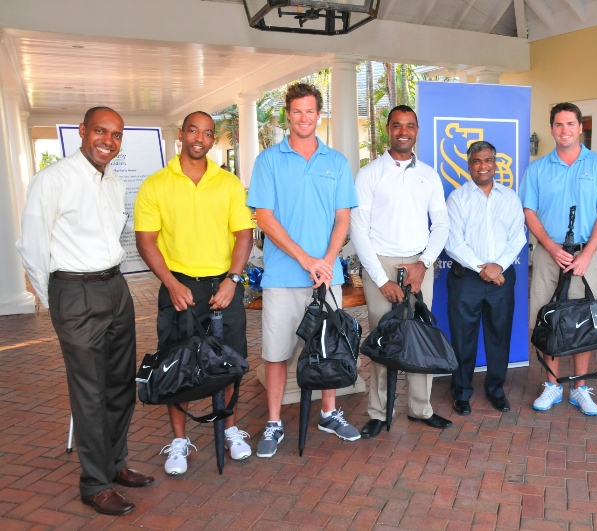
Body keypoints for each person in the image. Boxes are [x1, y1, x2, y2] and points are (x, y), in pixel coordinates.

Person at [16, 107, 153, 516]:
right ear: (82, 132)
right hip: (74, 291)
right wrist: (58, 298)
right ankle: (94, 484)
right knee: (90, 392)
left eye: (115, 135)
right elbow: (34, 249)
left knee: (120, 385)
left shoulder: (112, 183)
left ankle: (115, 464)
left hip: (115, 287)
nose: (107, 141)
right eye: (100, 131)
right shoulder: (52, 180)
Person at [134, 111, 254, 474]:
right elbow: (146, 241)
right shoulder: (156, 184)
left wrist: (234, 279)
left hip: (224, 288)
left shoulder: (229, 183)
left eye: (206, 133)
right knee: (175, 365)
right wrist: (171, 284)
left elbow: (244, 235)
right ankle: (178, 441)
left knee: (232, 362)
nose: (199, 138)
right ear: (181, 135)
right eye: (192, 131)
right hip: (179, 289)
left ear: (213, 140)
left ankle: (230, 429)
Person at [247, 83, 360, 458]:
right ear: (287, 114)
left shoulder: (337, 162)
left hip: (327, 276)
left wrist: (326, 259)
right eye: (296, 111)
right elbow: (264, 217)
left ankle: (329, 413)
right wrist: (304, 258)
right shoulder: (268, 160)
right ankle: (275, 422)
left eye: (310, 111)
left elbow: (342, 218)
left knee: (328, 348)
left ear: (319, 114)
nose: (303, 118)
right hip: (283, 277)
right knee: (277, 352)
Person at [350, 104, 452, 438]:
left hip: (419, 264)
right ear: (388, 130)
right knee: (383, 340)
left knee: (420, 338)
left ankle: (422, 409)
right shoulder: (369, 174)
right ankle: (379, 412)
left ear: (417, 130)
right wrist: (381, 279)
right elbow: (358, 230)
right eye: (397, 125)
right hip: (381, 263)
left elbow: (441, 224)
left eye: (409, 125)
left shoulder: (429, 174)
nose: (403, 131)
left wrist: (423, 264)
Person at [521, 102, 597, 416]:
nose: (564, 130)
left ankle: (578, 387)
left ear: (580, 128)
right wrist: (550, 247)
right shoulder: (537, 168)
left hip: (585, 255)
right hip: (549, 255)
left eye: (570, 124)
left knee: (585, 320)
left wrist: (587, 254)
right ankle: (551, 385)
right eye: (559, 125)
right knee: (546, 318)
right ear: (552, 129)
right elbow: (529, 212)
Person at [445, 141, 526, 415]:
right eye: (477, 161)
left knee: (498, 336)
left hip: (502, 278)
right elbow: (453, 242)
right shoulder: (457, 198)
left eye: (488, 160)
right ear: (469, 166)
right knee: (462, 338)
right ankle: (462, 392)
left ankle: (495, 390)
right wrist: (484, 269)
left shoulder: (510, 197)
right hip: (466, 279)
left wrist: (498, 267)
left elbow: (518, 237)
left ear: (495, 163)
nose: (483, 166)